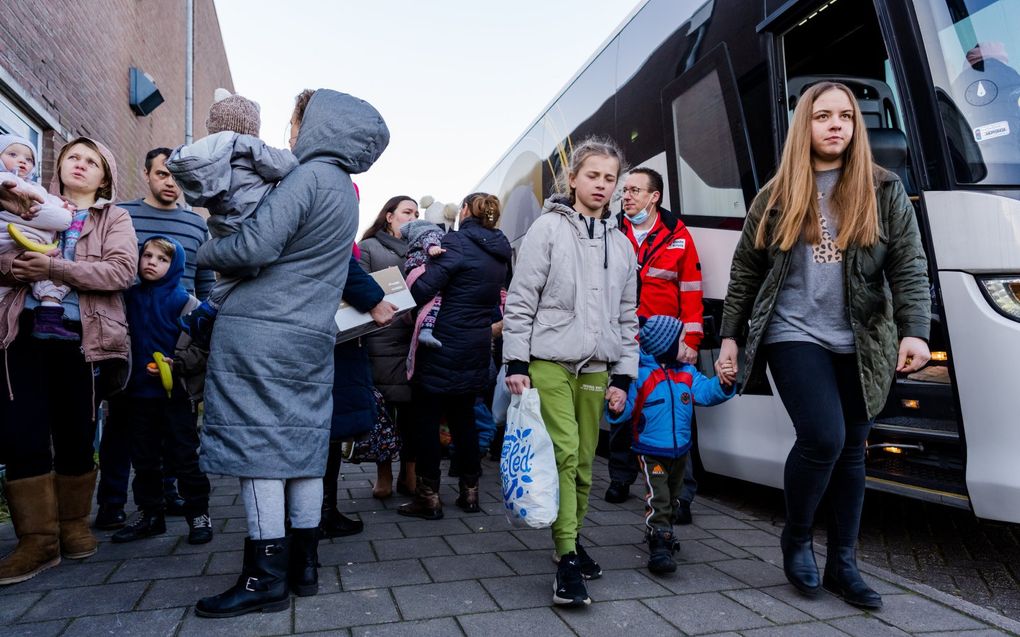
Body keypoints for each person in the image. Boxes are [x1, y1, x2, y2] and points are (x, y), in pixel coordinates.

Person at [716, 81, 931, 610]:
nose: (835, 124)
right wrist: (729, 338)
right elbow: (746, 269)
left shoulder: (884, 189)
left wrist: (915, 329)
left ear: (856, 125)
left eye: (845, 116)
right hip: (793, 332)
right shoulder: (776, 194)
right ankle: (796, 538)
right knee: (823, 437)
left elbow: (908, 263)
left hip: (862, 338)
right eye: (822, 116)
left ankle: (844, 563)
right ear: (804, 127)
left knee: (853, 452)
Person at [193, 88, 389, 618]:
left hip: (263, 332)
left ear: (318, 124)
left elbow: (255, 246)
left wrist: (205, 250)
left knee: (262, 450)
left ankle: (263, 578)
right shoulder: (345, 189)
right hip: (309, 335)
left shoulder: (306, 177)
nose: (290, 132)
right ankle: (304, 566)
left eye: (296, 120)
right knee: (302, 449)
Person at [502, 137, 639, 608]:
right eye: (593, 175)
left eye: (609, 178)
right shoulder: (547, 229)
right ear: (574, 179)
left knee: (584, 464)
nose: (601, 185)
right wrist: (515, 361)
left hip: (598, 366)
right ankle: (565, 561)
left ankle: (573, 539)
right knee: (563, 454)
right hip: (549, 361)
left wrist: (624, 376)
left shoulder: (623, 245)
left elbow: (628, 316)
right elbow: (521, 300)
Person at [0, 137, 137, 585]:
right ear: (58, 166)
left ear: (105, 176)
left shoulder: (113, 217)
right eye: (72, 158)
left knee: (76, 431)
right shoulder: (29, 202)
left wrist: (55, 270)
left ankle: (73, 525)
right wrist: (12, 269)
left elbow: (121, 271)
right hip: (23, 332)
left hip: (84, 337)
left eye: (91, 161)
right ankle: (36, 541)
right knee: (23, 431)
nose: (80, 165)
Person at [96, 145, 217, 530]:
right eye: (163, 174)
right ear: (147, 174)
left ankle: (169, 498)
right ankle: (113, 503)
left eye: (177, 177)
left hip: (174, 336)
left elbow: (205, 281)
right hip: (130, 329)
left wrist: (202, 322)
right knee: (121, 428)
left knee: (173, 434)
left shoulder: (197, 224)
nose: (171, 183)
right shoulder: (123, 215)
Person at [398, 193, 510, 520]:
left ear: (464, 211)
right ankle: (470, 493)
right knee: (465, 419)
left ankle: (428, 498)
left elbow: (420, 291)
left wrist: (421, 268)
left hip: (441, 344)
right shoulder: (501, 252)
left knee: (427, 420)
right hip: (475, 344)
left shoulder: (456, 242)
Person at [606, 167, 704, 525]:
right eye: (625, 191)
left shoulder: (678, 235)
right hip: (623, 339)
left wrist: (690, 341)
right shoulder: (611, 231)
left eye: (634, 190)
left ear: (654, 196)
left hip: (666, 343)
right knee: (621, 407)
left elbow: (691, 292)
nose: (626, 196)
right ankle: (620, 478)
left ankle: (683, 496)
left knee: (678, 415)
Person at [167, 88, 300, 348]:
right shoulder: (246, 144)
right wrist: (295, 158)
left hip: (223, 223)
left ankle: (204, 314)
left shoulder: (207, 155)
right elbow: (282, 165)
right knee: (249, 271)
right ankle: (209, 311)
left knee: (229, 273)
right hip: (251, 216)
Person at [104, 236, 212, 547]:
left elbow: (202, 350)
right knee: (144, 460)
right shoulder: (128, 298)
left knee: (185, 458)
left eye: (162, 259)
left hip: (175, 396)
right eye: (147, 255)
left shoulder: (186, 303)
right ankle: (151, 515)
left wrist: (176, 363)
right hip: (136, 395)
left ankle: (199, 515)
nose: (151, 262)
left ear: (175, 265)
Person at [606, 315, 733, 575]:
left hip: (680, 450)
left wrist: (722, 384)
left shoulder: (687, 373)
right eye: (681, 342)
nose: (686, 346)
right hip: (651, 451)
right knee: (659, 495)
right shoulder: (641, 375)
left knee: (674, 497)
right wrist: (616, 406)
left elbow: (706, 392)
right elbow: (627, 406)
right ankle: (659, 541)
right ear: (665, 346)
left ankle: (664, 528)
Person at [322, 248, 396, 537]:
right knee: (326, 429)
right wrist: (373, 299)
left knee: (326, 430)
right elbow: (339, 261)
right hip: (333, 341)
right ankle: (319, 515)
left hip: (326, 336)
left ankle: (319, 512)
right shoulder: (331, 225)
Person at [358, 196, 419, 498]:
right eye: (407, 212)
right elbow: (360, 287)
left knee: (412, 411)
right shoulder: (369, 248)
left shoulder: (422, 249)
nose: (413, 217)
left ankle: (410, 474)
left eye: (416, 213)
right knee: (382, 410)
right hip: (379, 335)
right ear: (389, 216)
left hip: (413, 337)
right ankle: (383, 474)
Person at [0, 134, 75, 340]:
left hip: (32, 249)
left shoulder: (37, 188)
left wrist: (62, 205)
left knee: (52, 276)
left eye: (29, 158)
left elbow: (53, 204)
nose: (22, 161)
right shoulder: (4, 182)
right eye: (12, 154)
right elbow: (60, 219)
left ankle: (49, 318)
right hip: (8, 244)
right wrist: (64, 212)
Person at [400, 219, 447, 360]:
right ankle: (426, 330)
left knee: (428, 304)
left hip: (415, 273)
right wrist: (433, 248)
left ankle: (426, 330)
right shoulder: (429, 232)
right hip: (423, 271)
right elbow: (430, 241)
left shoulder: (414, 238)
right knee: (436, 301)